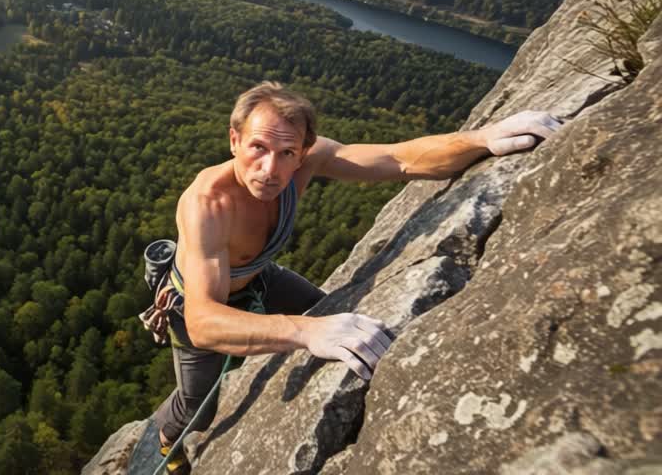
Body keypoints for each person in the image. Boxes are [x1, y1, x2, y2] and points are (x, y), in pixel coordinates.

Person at [143, 81, 561, 472]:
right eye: (258, 147)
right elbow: (203, 321)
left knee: (332, 314)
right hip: (196, 302)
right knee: (199, 405)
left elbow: (398, 159)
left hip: (258, 277)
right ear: (234, 140)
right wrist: (305, 331)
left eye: (287, 153)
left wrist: (481, 139)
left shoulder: (305, 160)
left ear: (303, 152)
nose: (270, 169)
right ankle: (165, 438)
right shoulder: (208, 204)